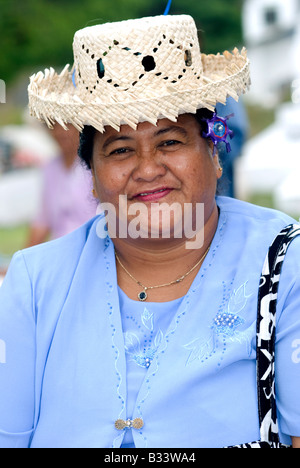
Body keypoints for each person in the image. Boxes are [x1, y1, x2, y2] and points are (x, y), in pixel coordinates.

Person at [0, 14, 299, 449]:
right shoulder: (34, 282)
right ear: (93, 178)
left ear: (214, 154)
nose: (147, 169)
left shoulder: (284, 264)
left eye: (170, 142)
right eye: (120, 150)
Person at [26, 123, 97, 246]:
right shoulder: (50, 168)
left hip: (92, 249)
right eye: (54, 125)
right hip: (60, 251)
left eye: (68, 125)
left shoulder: (94, 165)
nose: (60, 132)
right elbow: (43, 220)